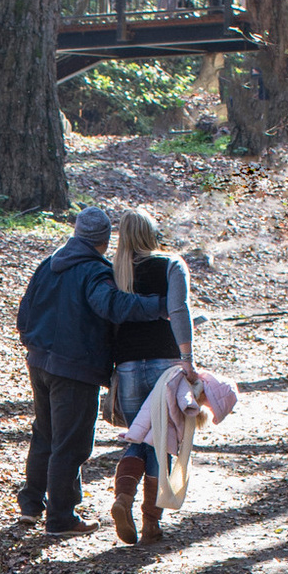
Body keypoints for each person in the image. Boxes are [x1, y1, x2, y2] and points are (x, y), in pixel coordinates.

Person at [13, 206, 184, 537]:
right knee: (71, 443)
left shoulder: (49, 265)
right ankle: (61, 518)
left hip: (39, 362)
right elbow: (114, 306)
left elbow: (25, 313)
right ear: (105, 240)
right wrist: (160, 307)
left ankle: (32, 505)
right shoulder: (94, 271)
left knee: (45, 434)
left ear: (77, 233)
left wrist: (35, 345)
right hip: (75, 368)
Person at [103, 204, 200, 544]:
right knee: (161, 444)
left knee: (137, 437)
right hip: (165, 367)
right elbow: (178, 309)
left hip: (127, 367)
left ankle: (123, 498)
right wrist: (187, 358)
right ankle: (150, 523)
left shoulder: (112, 272)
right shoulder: (171, 264)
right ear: (151, 233)